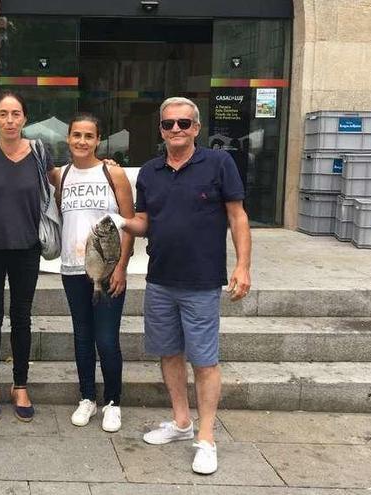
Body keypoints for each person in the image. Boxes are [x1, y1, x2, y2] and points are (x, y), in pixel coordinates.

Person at [112, 97, 251, 475]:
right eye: (169, 124)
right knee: (169, 354)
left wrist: (243, 265)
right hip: (160, 280)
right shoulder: (151, 173)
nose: (176, 129)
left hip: (202, 282)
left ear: (197, 127)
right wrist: (117, 221)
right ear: (161, 129)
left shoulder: (220, 163)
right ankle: (181, 422)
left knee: (204, 361)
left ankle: (206, 438)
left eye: (184, 124)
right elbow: (143, 222)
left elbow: (237, 217)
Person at [0, 91, 47, 422]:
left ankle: (20, 384)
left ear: (24, 119)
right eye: (3, 114)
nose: (9, 120)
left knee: (22, 317)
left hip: (26, 246)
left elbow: (60, 181)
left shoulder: (40, 154)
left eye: (16, 114)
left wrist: (103, 167)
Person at [60, 113, 134, 432]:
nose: (82, 141)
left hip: (107, 269)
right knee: (81, 336)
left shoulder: (112, 174)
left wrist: (122, 267)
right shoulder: (59, 175)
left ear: (98, 139)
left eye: (88, 136)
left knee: (106, 339)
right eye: (76, 135)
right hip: (72, 268)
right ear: (68, 138)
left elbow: (129, 224)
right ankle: (87, 397)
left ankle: (113, 402)